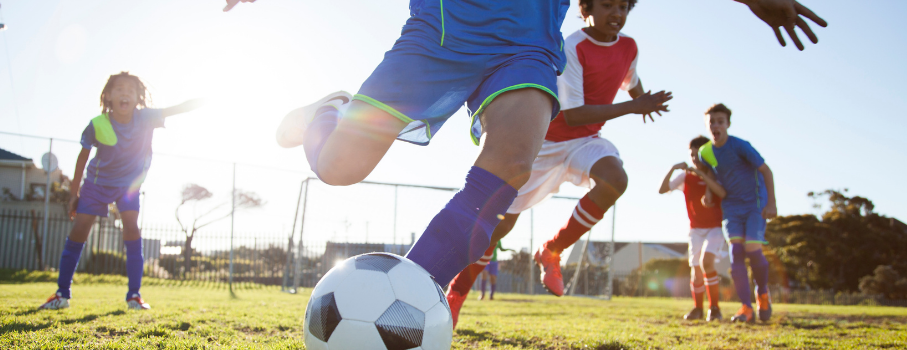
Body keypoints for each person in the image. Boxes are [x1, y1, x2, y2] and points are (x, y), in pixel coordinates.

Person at [248, 0, 825, 314]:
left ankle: (408, 303)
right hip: (438, 33)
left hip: (525, 46)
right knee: (339, 169)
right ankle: (332, 110)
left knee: (511, 164)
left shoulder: (612, 40)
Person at [440, 0, 672, 327]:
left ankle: (552, 250)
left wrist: (643, 100)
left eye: (623, 7)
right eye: (607, 5)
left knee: (615, 179)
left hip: (583, 143)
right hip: (546, 141)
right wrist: (634, 106)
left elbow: (631, 83)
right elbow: (573, 115)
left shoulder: (630, 47)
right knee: (499, 227)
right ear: (586, 8)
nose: (617, 14)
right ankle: (456, 293)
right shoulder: (574, 46)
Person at [39, 72, 204, 310]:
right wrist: (74, 194)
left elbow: (177, 108)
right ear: (107, 96)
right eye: (119, 89)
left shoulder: (146, 117)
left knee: (131, 227)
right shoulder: (97, 124)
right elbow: (82, 159)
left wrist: (205, 100)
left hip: (128, 185)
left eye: (130, 89)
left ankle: (134, 296)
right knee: (80, 228)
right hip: (97, 183)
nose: (124, 92)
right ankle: (61, 294)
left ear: (138, 97)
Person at [699, 103, 777, 323]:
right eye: (711, 122)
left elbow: (766, 171)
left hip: (755, 204)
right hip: (731, 207)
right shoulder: (706, 151)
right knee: (736, 254)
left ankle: (762, 293)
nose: (715, 126)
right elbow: (711, 172)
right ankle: (746, 307)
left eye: (720, 122)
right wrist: (708, 193)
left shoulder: (741, 146)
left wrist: (771, 203)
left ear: (728, 124)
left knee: (752, 248)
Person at [658, 135, 728, 322]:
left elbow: (722, 193)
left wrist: (706, 179)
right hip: (695, 229)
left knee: (707, 262)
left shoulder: (716, 175)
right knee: (695, 268)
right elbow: (662, 189)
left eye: (699, 155)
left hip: (715, 228)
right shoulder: (686, 176)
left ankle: (714, 308)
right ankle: (698, 308)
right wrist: (673, 168)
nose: (695, 159)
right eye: (692, 155)